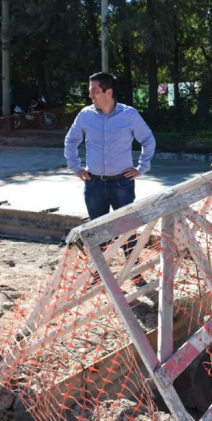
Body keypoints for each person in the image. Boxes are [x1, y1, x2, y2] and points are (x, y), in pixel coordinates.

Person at [64, 72, 156, 287]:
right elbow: (71, 141)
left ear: (109, 92)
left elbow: (148, 140)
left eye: (94, 91)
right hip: (94, 183)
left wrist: (142, 167)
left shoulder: (129, 114)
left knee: (128, 230)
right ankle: (98, 275)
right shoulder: (85, 115)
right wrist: (76, 168)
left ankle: (134, 272)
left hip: (122, 183)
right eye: (90, 91)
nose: (90, 96)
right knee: (96, 232)